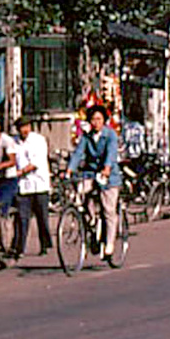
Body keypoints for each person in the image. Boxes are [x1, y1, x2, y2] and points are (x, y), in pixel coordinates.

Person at [67, 104, 123, 267]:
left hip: (108, 176)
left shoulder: (110, 135)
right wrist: (70, 169)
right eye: (93, 119)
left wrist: (107, 168)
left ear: (104, 121)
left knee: (108, 210)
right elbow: (78, 153)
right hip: (91, 173)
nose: (96, 122)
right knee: (81, 194)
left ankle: (110, 243)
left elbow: (111, 153)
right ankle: (90, 222)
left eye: (99, 119)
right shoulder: (87, 136)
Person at [12, 116, 53, 257]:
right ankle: (19, 248)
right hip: (23, 186)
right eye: (21, 127)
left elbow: (36, 162)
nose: (24, 130)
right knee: (22, 218)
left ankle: (45, 245)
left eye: (26, 127)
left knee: (42, 217)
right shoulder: (15, 142)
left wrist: (20, 171)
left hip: (39, 184)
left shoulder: (38, 140)